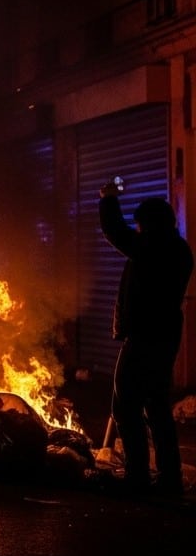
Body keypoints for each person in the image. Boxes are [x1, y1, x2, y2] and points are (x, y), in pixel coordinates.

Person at [98, 181, 192, 497]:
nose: (137, 230)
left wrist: (108, 199)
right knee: (157, 406)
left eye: (140, 225)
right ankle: (168, 478)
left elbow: (115, 231)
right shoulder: (178, 249)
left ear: (150, 225)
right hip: (164, 336)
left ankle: (137, 476)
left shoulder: (155, 248)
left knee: (125, 406)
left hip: (144, 338)